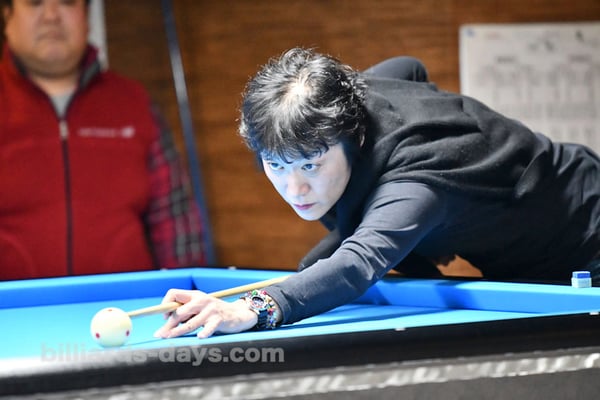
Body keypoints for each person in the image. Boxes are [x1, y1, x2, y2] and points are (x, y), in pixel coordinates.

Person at [153, 47, 600, 340]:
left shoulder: (417, 182)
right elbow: (410, 67)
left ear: (352, 139)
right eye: (277, 165)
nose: (295, 188)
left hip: (582, 239)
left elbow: (356, 264)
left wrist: (250, 310)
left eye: (310, 164)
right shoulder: (349, 98)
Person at [0, 0, 206, 280]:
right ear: (7, 15)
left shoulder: (134, 102)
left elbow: (175, 217)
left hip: (130, 304)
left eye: (67, 2)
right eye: (35, 2)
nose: (51, 15)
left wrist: (186, 294)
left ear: (86, 16)